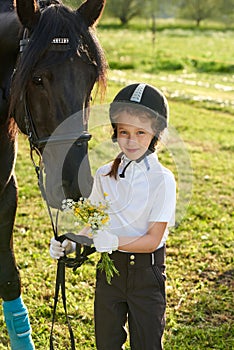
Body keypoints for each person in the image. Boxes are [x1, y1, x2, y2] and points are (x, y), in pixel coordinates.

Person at [50, 83, 176, 350]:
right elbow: (93, 224)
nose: (131, 141)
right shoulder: (105, 173)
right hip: (109, 274)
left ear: (155, 134)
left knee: (146, 344)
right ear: (115, 132)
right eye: (123, 132)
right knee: (106, 342)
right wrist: (72, 243)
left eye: (140, 133)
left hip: (146, 275)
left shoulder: (163, 180)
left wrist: (115, 241)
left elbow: (153, 240)